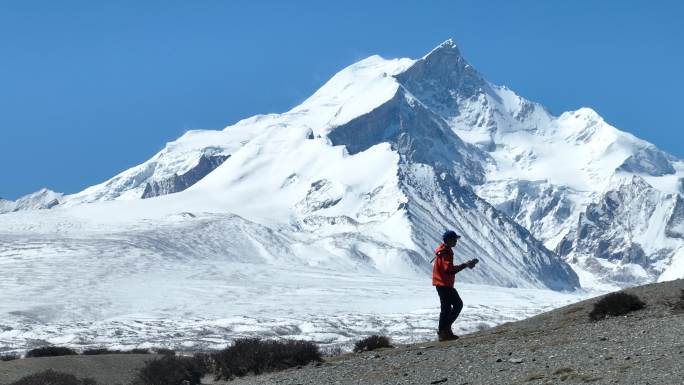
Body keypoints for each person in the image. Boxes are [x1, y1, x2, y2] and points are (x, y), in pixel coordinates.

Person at [432, 230, 478, 341]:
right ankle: (444, 331)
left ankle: (444, 332)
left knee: (446, 308)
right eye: (454, 239)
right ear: (448, 240)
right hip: (444, 283)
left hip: (442, 283)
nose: (456, 241)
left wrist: (465, 265)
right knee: (457, 305)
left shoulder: (444, 250)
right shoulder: (446, 252)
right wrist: (465, 265)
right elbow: (449, 270)